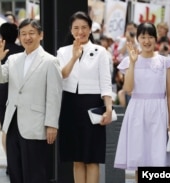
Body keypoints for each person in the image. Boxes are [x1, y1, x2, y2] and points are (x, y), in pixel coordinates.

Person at [0, 18, 62, 183]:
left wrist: (52, 124)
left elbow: (54, 95)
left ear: (40, 35)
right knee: (15, 171)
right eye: (23, 34)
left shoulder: (50, 61)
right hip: (12, 122)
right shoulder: (13, 59)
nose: (27, 37)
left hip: (36, 124)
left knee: (35, 173)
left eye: (31, 33)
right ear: (19, 37)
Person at [114, 22, 170, 182]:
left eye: (150, 37)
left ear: (156, 39)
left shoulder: (165, 62)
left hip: (158, 112)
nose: (147, 41)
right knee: (139, 161)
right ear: (137, 39)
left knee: (157, 160)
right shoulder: (130, 61)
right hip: (137, 112)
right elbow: (128, 89)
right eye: (143, 37)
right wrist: (133, 63)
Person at [57, 11, 113, 183]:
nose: (80, 31)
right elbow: (61, 76)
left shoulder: (100, 51)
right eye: (76, 28)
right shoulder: (63, 51)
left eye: (84, 27)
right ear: (70, 30)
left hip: (92, 104)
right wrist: (74, 57)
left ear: (90, 29)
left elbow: (105, 82)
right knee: (77, 157)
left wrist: (109, 108)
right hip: (69, 104)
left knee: (92, 157)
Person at [0, 22, 24, 173]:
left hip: (1, 91)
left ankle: (11, 164)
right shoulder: (22, 50)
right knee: (20, 128)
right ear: (17, 35)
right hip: (18, 91)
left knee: (6, 129)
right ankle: (21, 162)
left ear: (1, 35)